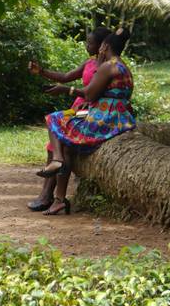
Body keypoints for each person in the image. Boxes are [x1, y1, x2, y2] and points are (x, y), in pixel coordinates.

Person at [38, 28, 136, 215]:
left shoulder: (108, 66)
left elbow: (90, 94)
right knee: (66, 143)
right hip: (119, 116)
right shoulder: (123, 65)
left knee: (54, 118)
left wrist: (65, 90)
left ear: (105, 46)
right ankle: (59, 199)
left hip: (105, 118)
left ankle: (56, 160)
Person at [26, 27, 112, 212]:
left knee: (60, 137)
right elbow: (66, 77)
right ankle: (47, 193)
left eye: (90, 43)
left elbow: (105, 93)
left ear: (102, 45)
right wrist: (41, 71)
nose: (86, 45)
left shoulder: (109, 67)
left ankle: (49, 194)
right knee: (53, 140)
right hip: (78, 107)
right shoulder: (90, 62)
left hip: (93, 109)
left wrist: (86, 101)